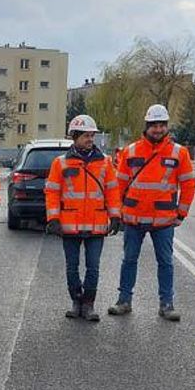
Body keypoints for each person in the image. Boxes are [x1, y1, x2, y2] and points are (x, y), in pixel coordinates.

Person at [107, 104, 195, 321]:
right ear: (146, 127)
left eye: (161, 125)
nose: (157, 129)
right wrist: (116, 214)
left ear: (166, 127)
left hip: (163, 220)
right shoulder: (131, 151)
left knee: (165, 262)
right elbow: (118, 185)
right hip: (133, 218)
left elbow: (189, 185)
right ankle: (124, 300)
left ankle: (166, 304)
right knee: (129, 260)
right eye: (154, 125)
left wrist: (181, 214)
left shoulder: (179, 153)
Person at [44, 115, 122, 321]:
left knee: (93, 266)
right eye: (86, 136)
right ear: (75, 137)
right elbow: (52, 191)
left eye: (92, 135)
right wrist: (53, 218)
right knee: (71, 266)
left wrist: (115, 216)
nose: (90, 139)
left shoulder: (105, 163)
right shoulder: (60, 163)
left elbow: (113, 191)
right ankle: (76, 300)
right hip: (69, 224)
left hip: (96, 225)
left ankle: (89, 304)